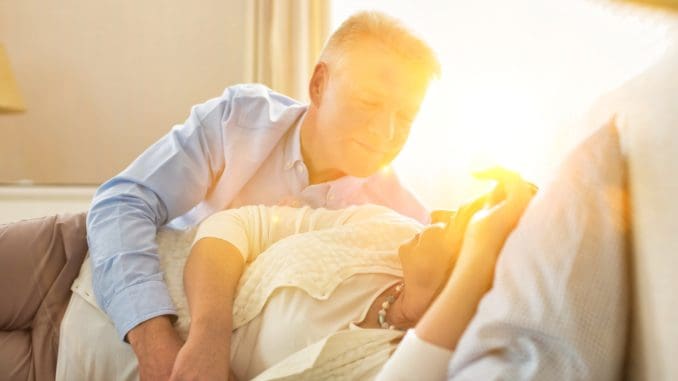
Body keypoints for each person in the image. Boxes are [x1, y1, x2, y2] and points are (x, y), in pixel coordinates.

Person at [83, 10, 441, 380]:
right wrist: (154, 341)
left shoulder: (401, 225)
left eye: (406, 116)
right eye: (369, 102)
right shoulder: (237, 123)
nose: (386, 132)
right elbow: (123, 203)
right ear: (319, 84)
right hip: (103, 287)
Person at [56, 168, 535, 380]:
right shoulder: (385, 229)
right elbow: (240, 222)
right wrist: (209, 333)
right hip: (89, 264)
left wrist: (484, 254)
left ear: (471, 267)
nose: (438, 215)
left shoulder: (391, 363)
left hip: (81, 362)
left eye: (458, 221)